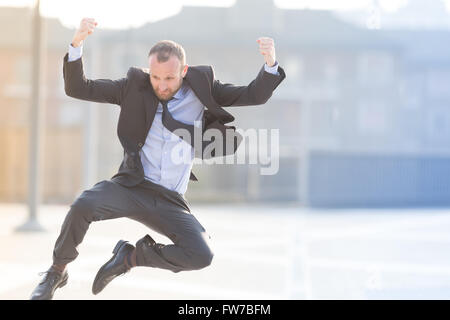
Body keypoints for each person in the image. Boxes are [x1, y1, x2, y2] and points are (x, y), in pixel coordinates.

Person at [30, 17, 286, 300]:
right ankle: (57, 271)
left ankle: (130, 257)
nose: (161, 85)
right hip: (132, 187)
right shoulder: (132, 87)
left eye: (169, 78)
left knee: (201, 254)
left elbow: (253, 94)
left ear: (184, 71)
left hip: (169, 199)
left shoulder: (203, 89)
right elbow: (80, 87)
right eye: (155, 77)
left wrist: (270, 63)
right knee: (82, 205)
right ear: (148, 70)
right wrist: (76, 44)